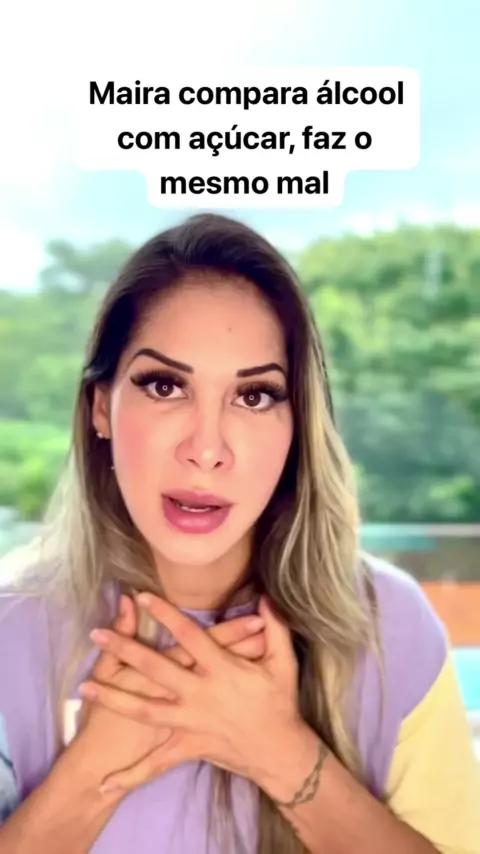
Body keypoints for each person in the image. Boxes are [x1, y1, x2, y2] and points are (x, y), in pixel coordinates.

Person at [0, 213, 478, 854]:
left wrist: (280, 753)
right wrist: (95, 771)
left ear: (297, 424)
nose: (207, 449)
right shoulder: (9, 627)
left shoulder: (390, 627)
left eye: (254, 396)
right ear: (102, 409)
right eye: (165, 385)